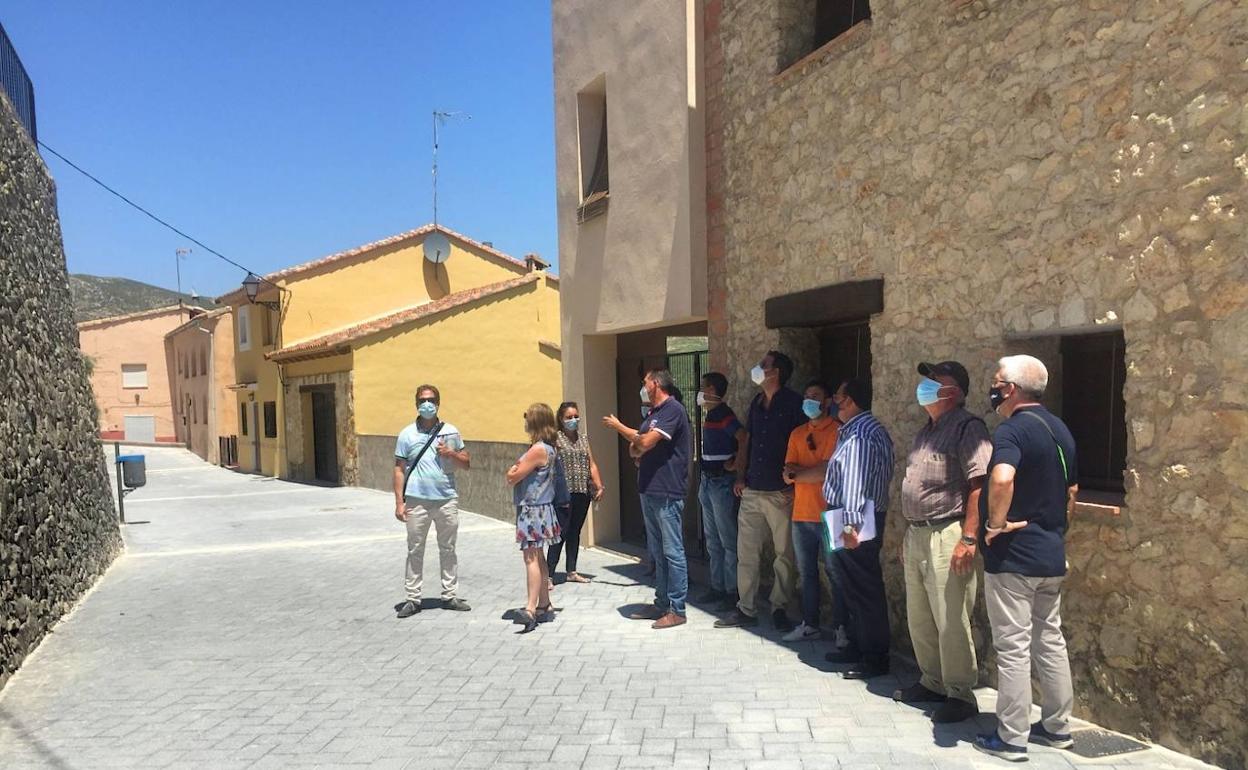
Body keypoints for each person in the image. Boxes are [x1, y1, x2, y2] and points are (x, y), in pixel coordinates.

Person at [973, 355, 1078, 763]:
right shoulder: (1061, 429)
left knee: (1013, 646)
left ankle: (1012, 738)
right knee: (1049, 639)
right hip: (1050, 553)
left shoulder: (1012, 430)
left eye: (997, 381)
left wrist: (995, 525)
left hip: (1014, 558)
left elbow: (1001, 478)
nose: (993, 388)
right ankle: (1057, 728)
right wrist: (1054, 531)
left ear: (1011, 389)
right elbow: (1072, 493)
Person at [895, 361, 992, 723]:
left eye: (935, 380)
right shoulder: (926, 431)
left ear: (954, 391)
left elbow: (978, 486)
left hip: (948, 531)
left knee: (952, 616)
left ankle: (960, 694)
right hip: (918, 532)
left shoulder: (969, 428)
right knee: (920, 615)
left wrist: (969, 538)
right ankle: (932, 681)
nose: (927, 384)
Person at [716, 351, 806, 632]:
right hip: (753, 489)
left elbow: (803, 444)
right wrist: (741, 476)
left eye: (763, 365)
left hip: (781, 492)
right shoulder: (756, 403)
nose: (758, 367)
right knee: (747, 552)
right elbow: (749, 442)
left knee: (784, 555)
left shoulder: (794, 403)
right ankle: (746, 608)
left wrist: (796, 486)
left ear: (775, 372)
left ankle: (780, 608)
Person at [603, 369, 691, 629]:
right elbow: (636, 447)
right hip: (649, 489)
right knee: (658, 551)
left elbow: (646, 442)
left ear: (655, 384)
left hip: (666, 491)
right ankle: (661, 603)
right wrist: (638, 442)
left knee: (672, 551)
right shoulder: (653, 414)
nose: (642, 387)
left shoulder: (673, 410)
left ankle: (678, 608)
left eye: (645, 383)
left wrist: (621, 428)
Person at [822, 378, 894, 679]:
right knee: (848, 583)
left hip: (854, 517)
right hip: (847, 515)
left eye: (837, 395)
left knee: (863, 586)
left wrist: (850, 524)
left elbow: (855, 481)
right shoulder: (855, 430)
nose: (833, 401)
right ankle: (858, 644)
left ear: (849, 401)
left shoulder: (861, 435)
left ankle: (874, 656)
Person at [393, 385, 472, 618]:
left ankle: (449, 595)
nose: (426, 404)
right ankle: (413, 598)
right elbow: (399, 469)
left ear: (438, 402)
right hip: (417, 501)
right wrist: (399, 502)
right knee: (415, 549)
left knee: (448, 548)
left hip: (446, 498)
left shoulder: (450, 431)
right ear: (416, 403)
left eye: (431, 400)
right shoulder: (406, 434)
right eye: (422, 400)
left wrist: (451, 453)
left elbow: (466, 463)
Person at [780, 380, 840, 643]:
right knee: (807, 574)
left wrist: (798, 474)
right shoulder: (796, 433)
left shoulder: (837, 431)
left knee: (835, 573)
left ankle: (842, 629)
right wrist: (805, 474)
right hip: (801, 515)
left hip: (829, 515)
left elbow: (826, 471)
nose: (809, 401)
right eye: (806, 395)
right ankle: (810, 624)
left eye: (815, 396)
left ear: (827, 402)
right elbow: (786, 473)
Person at [506, 403, 564, 633]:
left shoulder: (537, 450)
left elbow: (513, 476)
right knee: (538, 557)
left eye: (528, 417)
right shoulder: (548, 448)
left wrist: (513, 469)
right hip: (543, 508)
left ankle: (530, 608)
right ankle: (544, 603)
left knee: (531, 558)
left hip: (532, 510)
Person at [694, 372, 746, 608]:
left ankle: (732, 591)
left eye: (704, 388)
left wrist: (736, 464)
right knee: (713, 539)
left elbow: (743, 436)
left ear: (713, 391)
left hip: (721, 483)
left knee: (727, 539)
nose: (701, 393)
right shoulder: (711, 415)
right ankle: (717, 586)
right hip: (708, 481)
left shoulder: (724, 414)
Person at [547, 401, 604, 586]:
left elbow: (592, 463)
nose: (574, 420)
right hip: (563, 493)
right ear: (561, 419)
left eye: (575, 416)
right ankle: (548, 574)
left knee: (575, 532)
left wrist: (599, 485)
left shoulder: (584, 439)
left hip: (582, 491)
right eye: (569, 417)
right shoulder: (555, 439)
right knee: (561, 532)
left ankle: (572, 570)